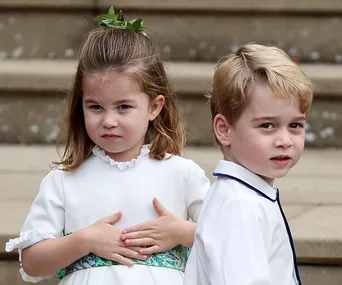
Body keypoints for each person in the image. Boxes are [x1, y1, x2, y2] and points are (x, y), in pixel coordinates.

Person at [5, 8, 210, 285]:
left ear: (154, 107)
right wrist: (84, 240)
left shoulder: (183, 174)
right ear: (82, 105)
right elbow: (32, 263)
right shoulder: (64, 181)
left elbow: (227, 240)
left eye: (124, 107)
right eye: (96, 107)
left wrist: (183, 233)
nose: (109, 121)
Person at [184, 43, 313, 285]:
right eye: (267, 125)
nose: (284, 141)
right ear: (224, 130)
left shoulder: (246, 195)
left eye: (295, 125)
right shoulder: (240, 205)